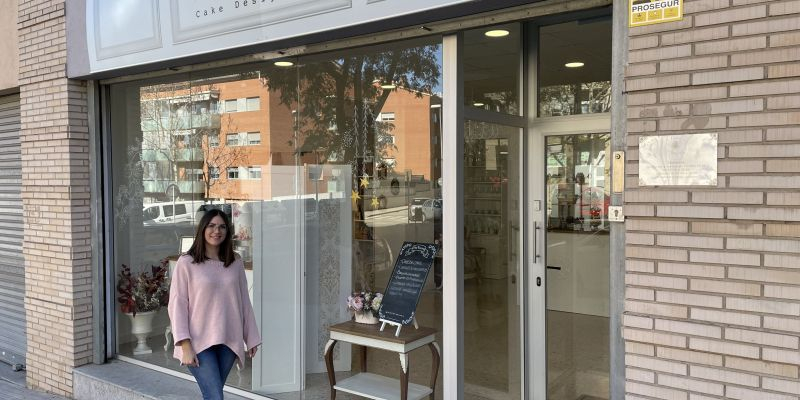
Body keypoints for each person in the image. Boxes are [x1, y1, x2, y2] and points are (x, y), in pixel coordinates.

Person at [168, 208, 261, 400]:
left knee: (213, 394)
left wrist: (250, 336)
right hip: (198, 342)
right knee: (215, 396)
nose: (216, 231)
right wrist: (185, 345)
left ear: (227, 231)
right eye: (211, 226)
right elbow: (177, 305)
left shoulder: (235, 261)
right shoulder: (187, 263)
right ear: (202, 229)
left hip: (229, 339)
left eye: (222, 227)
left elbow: (244, 300)